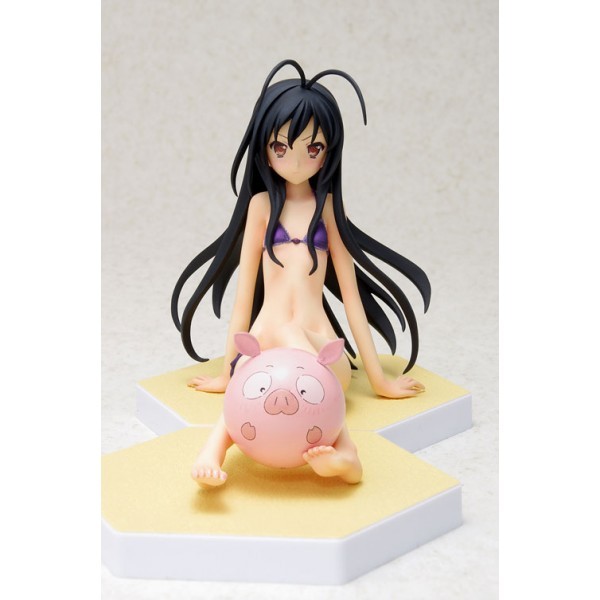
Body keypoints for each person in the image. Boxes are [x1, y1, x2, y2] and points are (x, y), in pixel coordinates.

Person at [171, 60, 431, 487]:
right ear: (264, 149)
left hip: (322, 348)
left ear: (329, 153)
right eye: (281, 147)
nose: (295, 161)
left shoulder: (327, 210)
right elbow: (243, 296)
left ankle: (346, 457)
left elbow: (351, 298)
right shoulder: (259, 208)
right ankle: (214, 452)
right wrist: (227, 373)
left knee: (294, 352)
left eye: (313, 149)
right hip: (263, 345)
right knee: (247, 388)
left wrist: (379, 379)